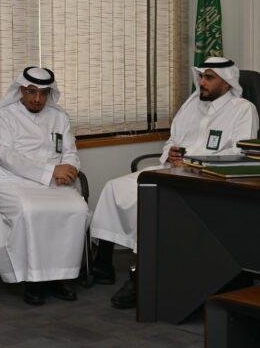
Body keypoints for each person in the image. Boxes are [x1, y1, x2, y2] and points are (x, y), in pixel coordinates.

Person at [91, 57, 259, 309]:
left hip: (207, 180)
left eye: (209, 77)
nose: (201, 82)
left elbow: (240, 153)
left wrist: (193, 161)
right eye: (201, 76)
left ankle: (141, 276)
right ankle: (103, 264)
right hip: (171, 170)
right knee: (114, 187)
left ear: (226, 83)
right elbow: (172, 141)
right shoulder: (191, 105)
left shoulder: (243, 109)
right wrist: (170, 154)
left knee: (152, 203)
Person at [0, 67, 89, 305]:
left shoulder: (59, 116)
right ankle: (33, 281)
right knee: (30, 211)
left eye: (43, 93)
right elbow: (7, 157)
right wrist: (50, 171)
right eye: (31, 92)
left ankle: (61, 276)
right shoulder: (4, 115)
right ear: (21, 90)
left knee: (78, 209)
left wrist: (69, 168)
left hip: (53, 181)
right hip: (11, 180)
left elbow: (70, 151)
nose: (37, 99)